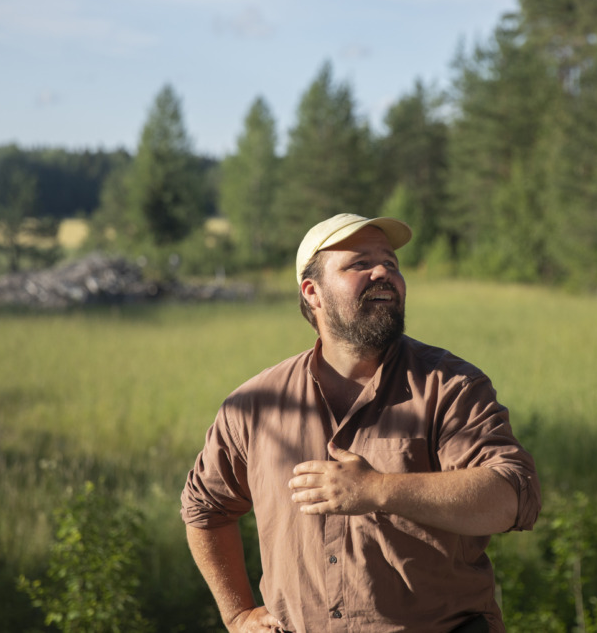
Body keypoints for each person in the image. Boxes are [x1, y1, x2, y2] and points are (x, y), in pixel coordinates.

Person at [181, 213, 542, 633]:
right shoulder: (254, 405)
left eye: (391, 263)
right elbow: (205, 509)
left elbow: (512, 496)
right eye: (360, 264)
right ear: (312, 292)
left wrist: (376, 490)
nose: (383, 272)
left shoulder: (450, 386)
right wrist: (238, 614)